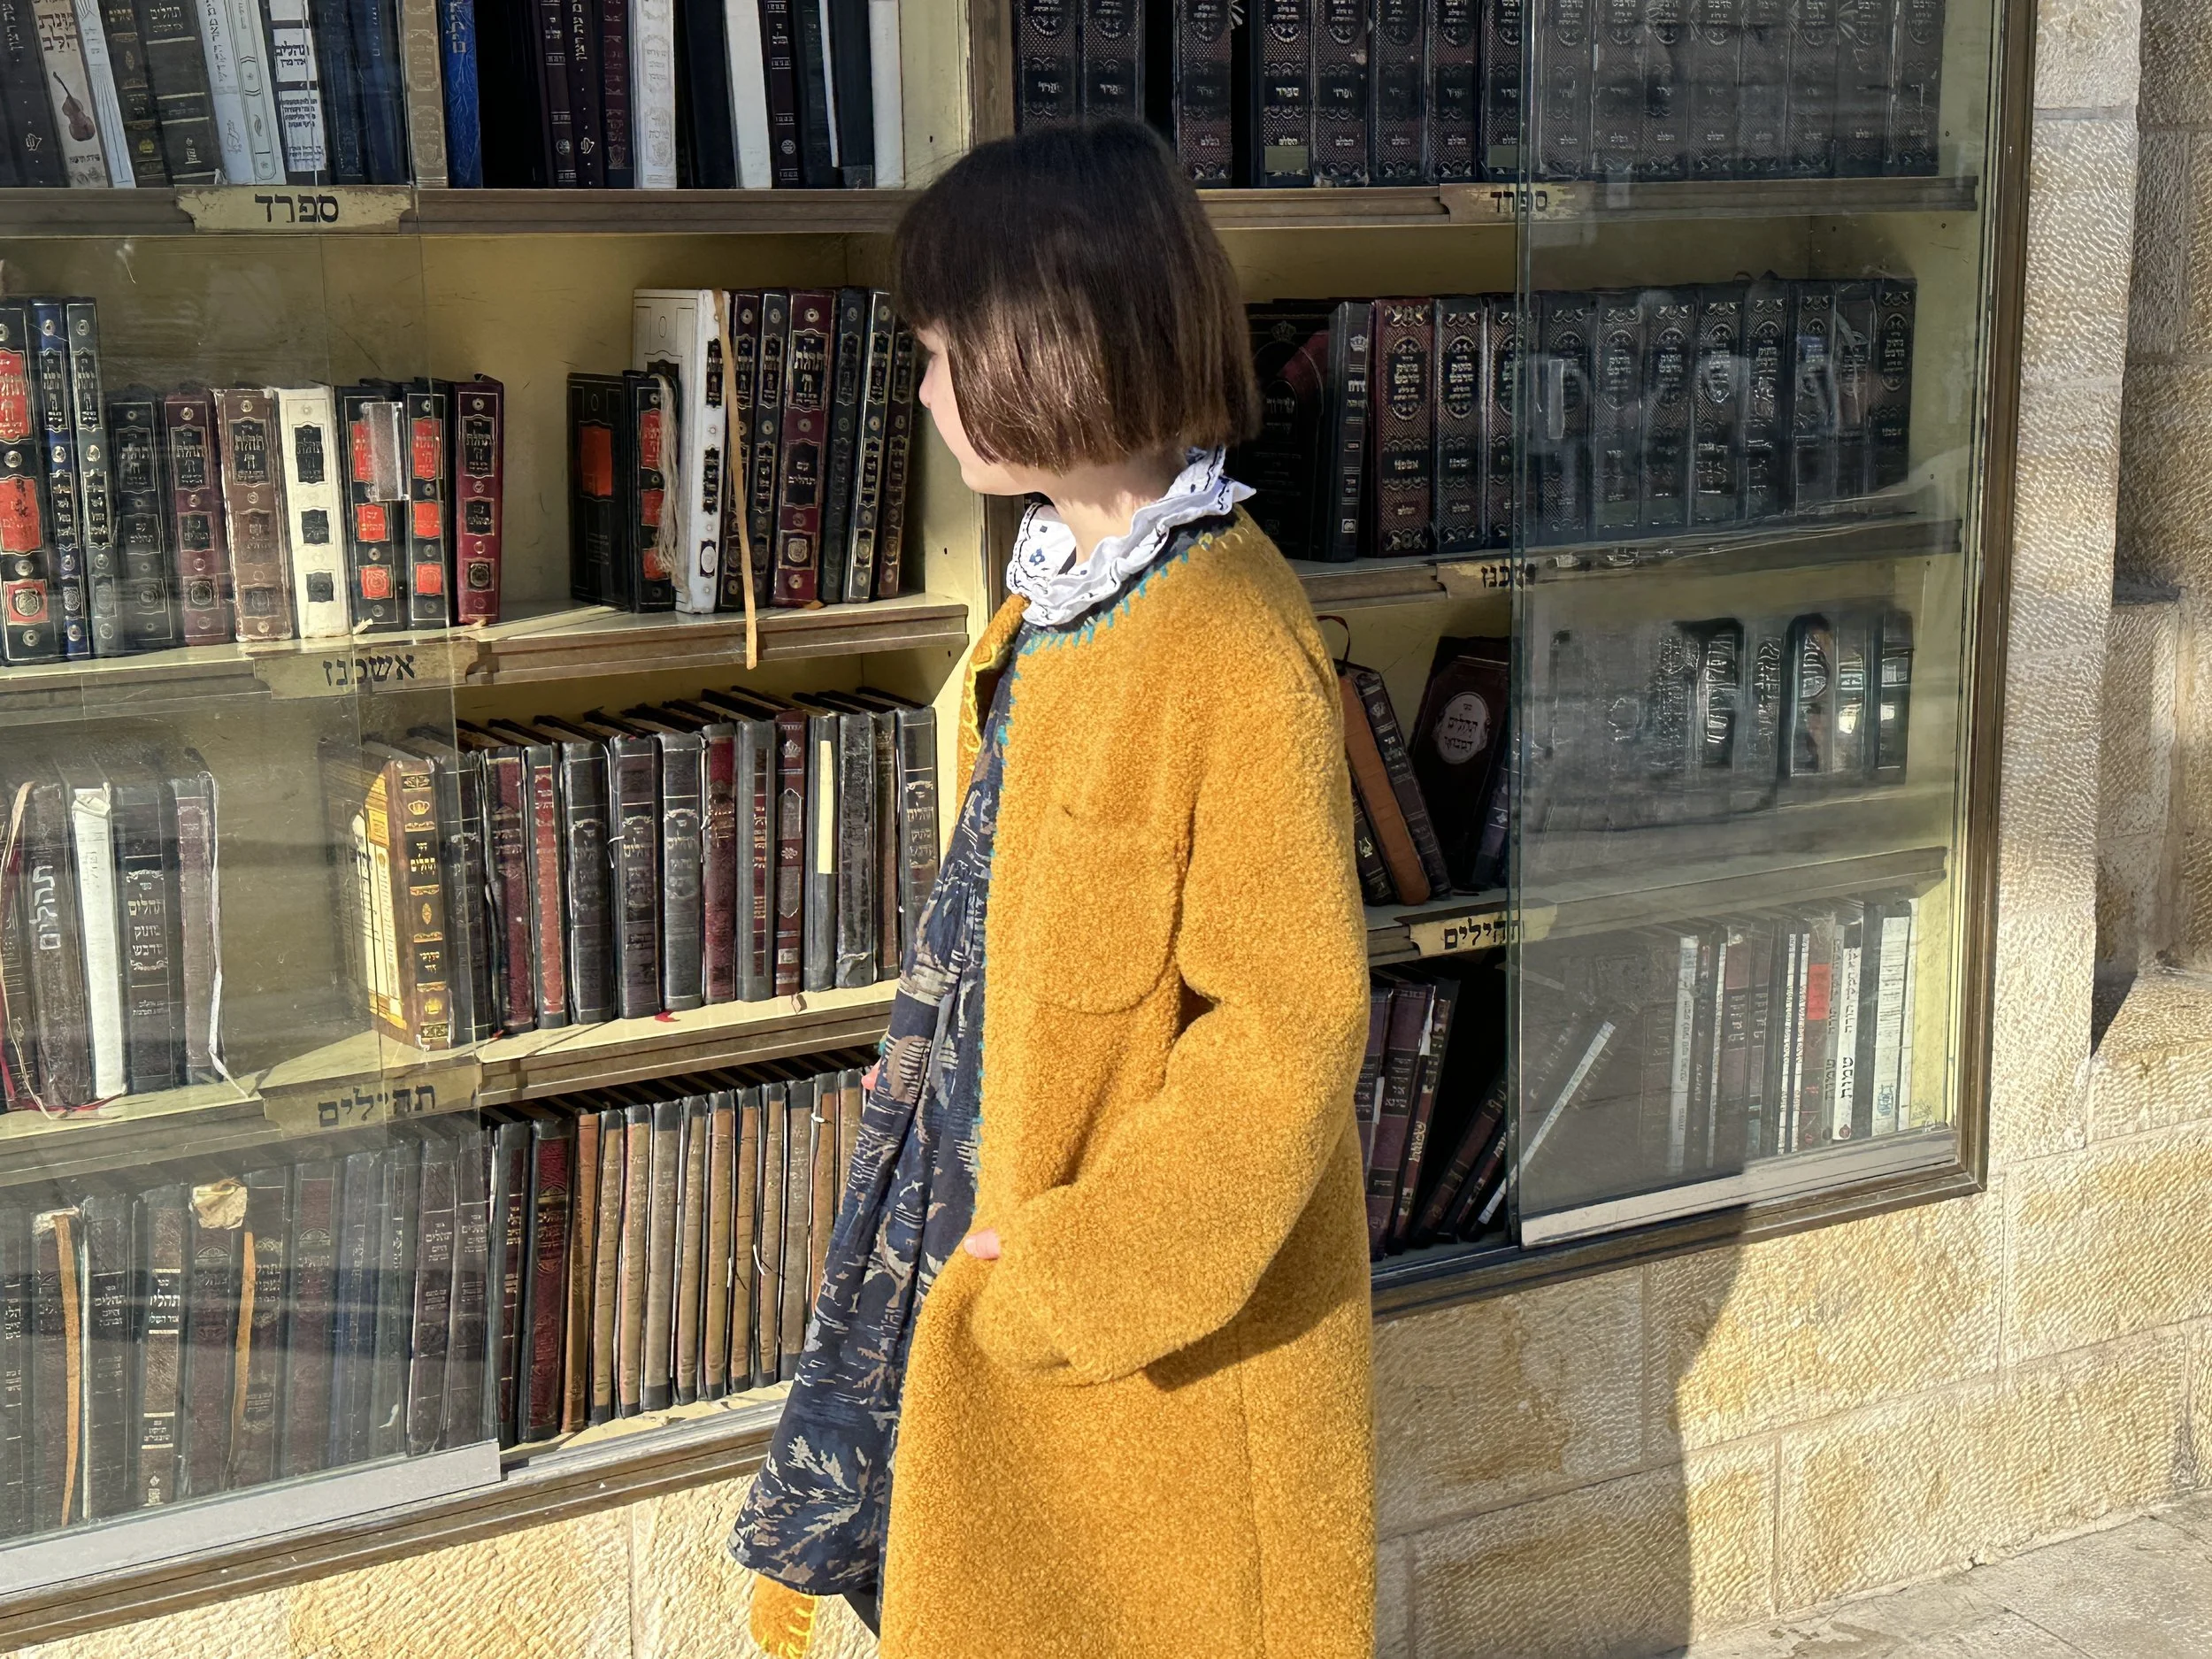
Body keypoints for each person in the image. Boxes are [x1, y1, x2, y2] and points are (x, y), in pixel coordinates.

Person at [729, 116, 1375, 1659]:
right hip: (993, 1237)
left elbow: (1287, 1027)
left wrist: (1081, 1273)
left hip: (1139, 1338)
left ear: (1049, 347)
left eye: (947, 350)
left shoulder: (1223, 636)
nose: (930, 387)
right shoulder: (1067, 596)